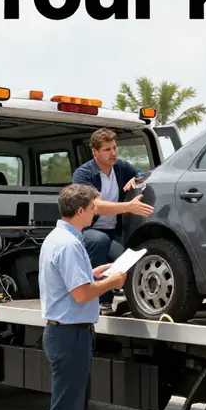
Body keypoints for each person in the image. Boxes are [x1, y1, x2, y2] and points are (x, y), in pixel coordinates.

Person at [39, 183, 127, 410]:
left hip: (69, 331)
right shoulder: (70, 244)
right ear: (80, 211)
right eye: (93, 207)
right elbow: (80, 294)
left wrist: (94, 272)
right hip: (70, 333)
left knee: (74, 408)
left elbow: (72, 281)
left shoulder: (59, 238)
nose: (96, 211)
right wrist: (112, 283)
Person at [72, 128, 153, 312]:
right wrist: (128, 206)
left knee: (128, 258)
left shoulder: (121, 167)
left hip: (113, 231)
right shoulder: (83, 174)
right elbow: (95, 206)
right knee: (99, 241)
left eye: (115, 148)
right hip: (87, 230)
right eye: (107, 149)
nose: (113, 153)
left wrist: (137, 179)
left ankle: (133, 301)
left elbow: (146, 175)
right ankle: (101, 300)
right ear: (95, 152)